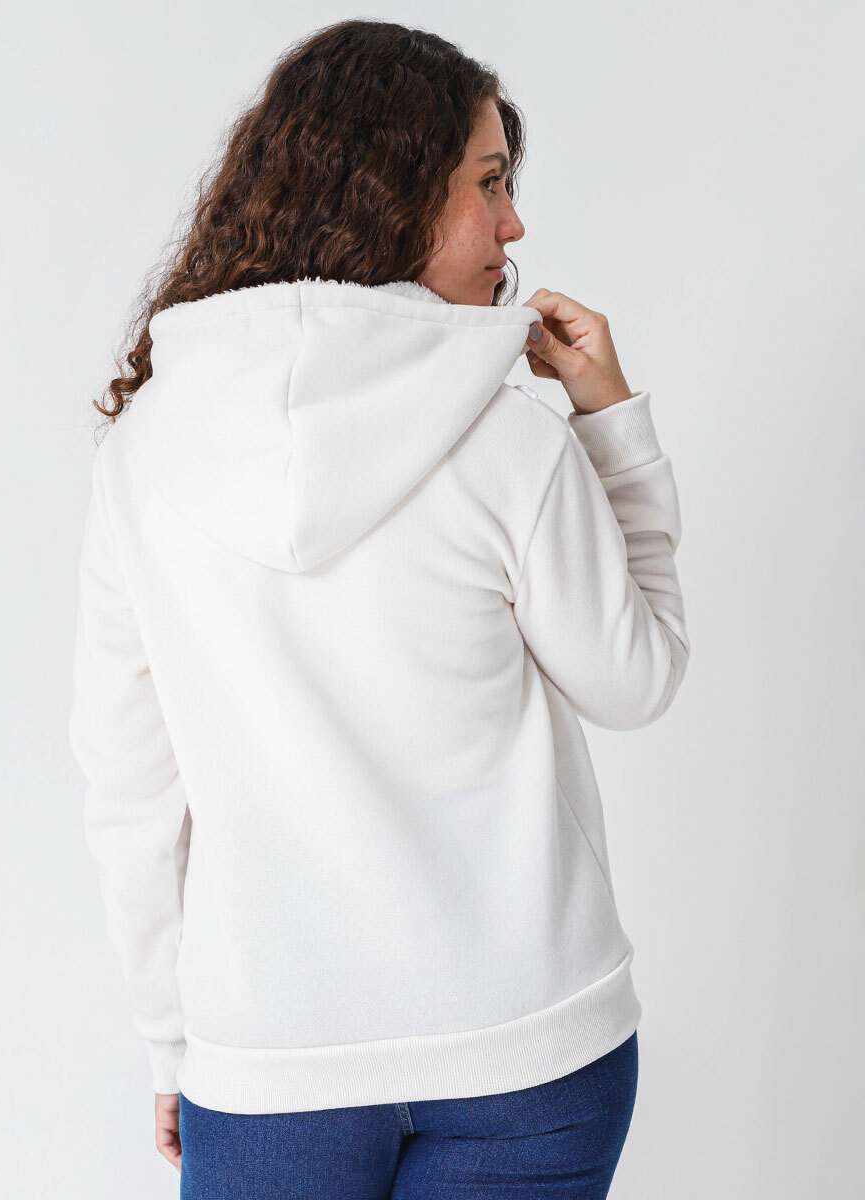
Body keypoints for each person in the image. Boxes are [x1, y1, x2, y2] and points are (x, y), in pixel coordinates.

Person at [67, 18, 689, 1199]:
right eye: (489, 182)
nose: (514, 225)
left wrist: (171, 1039)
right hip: (528, 1046)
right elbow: (637, 678)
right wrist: (612, 426)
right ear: (389, 189)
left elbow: (130, 784)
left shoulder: (145, 454)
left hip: (272, 1060)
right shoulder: (510, 443)